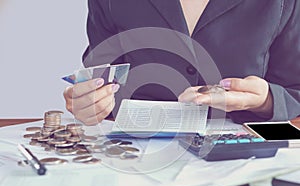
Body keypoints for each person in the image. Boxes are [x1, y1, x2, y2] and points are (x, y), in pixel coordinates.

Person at [64, 0, 300, 126]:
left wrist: (266, 101)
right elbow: (104, 80)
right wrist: (90, 102)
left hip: (241, 160)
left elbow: (294, 91)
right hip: (139, 158)